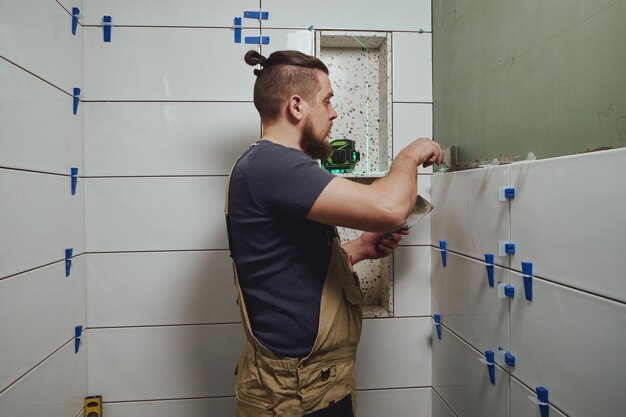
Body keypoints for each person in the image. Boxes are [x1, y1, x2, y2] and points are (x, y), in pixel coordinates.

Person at [224, 49, 443, 417]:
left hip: (306, 385)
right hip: (296, 394)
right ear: (296, 106)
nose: (334, 112)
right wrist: (409, 156)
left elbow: (285, 263)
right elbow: (388, 208)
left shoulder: (265, 166)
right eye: (326, 100)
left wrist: (358, 247)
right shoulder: (273, 164)